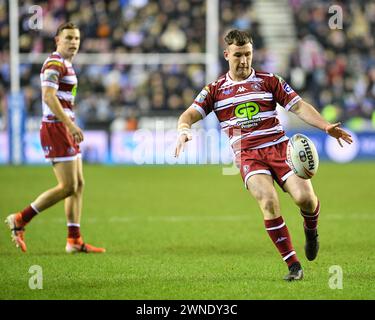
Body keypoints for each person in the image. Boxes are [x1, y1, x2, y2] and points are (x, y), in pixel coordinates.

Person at [174, 29, 352, 281]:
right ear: (227, 55)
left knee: (305, 199)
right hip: (248, 154)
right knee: (268, 202)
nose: (244, 60)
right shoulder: (214, 90)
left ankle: (311, 232)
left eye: (248, 54)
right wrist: (183, 130)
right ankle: (293, 265)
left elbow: (299, 106)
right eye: (238, 55)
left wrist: (326, 126)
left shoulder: (270, 80)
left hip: (280, 148)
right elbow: (188, 115)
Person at [5, 22, 105, 254]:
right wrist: (70, 125)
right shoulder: (54, 63)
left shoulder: (67, 65)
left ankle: (74, 240)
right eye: (69, 38)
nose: (74, 42)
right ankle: (20, 218)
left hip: (65, 127)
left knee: (78, 184)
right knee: (68, 186)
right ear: (57, 40)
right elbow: (48, 97)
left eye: (77, 39)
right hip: (56, 128)